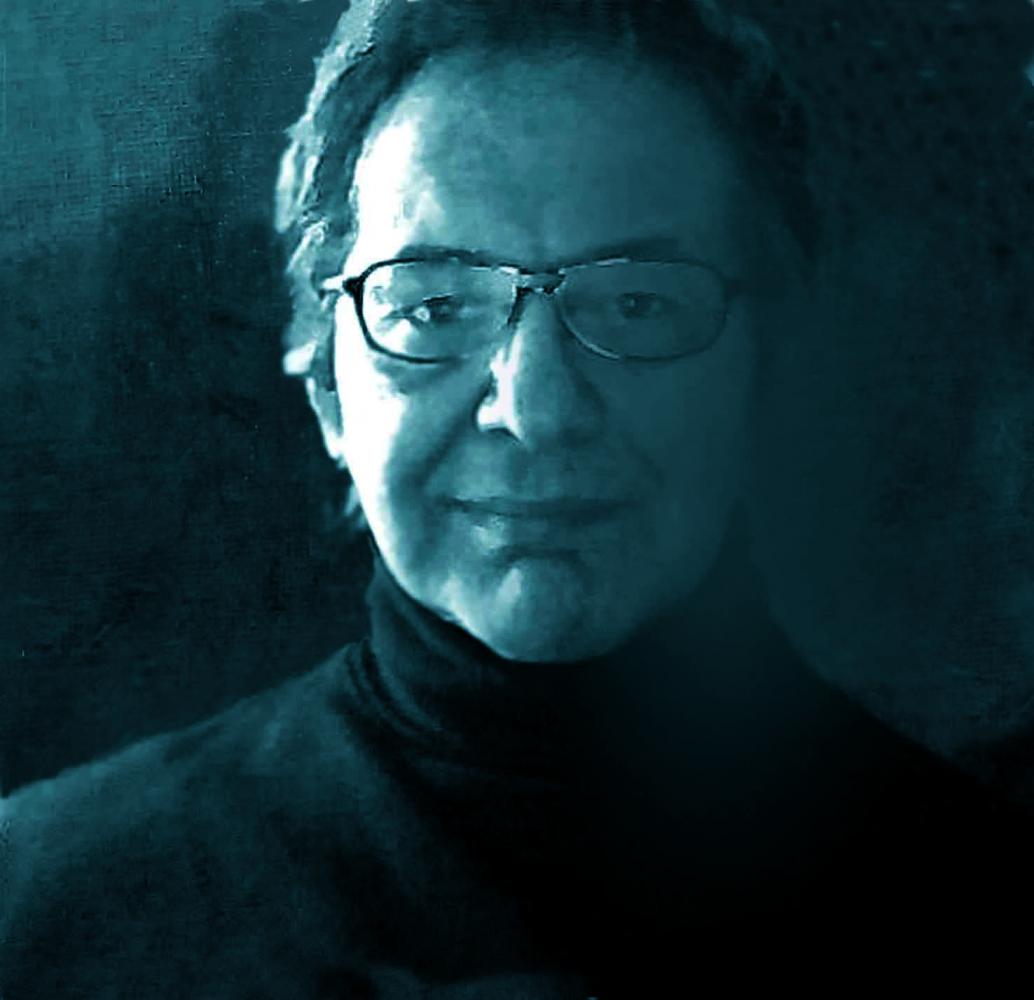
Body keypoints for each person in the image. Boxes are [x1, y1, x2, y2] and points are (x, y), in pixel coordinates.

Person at [3, 1, 1033, 995]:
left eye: (634, 303)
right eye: (433, 306)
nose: (536, 409)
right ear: (328, 392)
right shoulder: (44, 908)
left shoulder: (987, 907)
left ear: (762, 373)